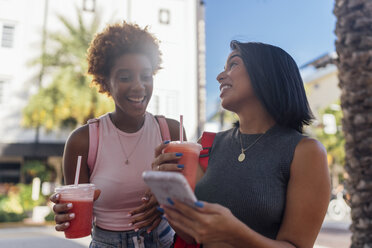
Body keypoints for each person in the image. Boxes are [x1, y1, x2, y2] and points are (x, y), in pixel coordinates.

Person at [153, 41, 331, 248]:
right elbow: (194, 236)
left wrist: (235, 233)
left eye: (233, 65)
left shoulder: (305, 152)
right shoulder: (207, 144)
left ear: (266, 74)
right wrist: (166, 193)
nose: (220, 76)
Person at [49, 21, 186, 248]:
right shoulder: (83, 141)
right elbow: (75, 211)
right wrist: (65, 213)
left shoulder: (171, 132)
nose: (139, 86)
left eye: (146, 76)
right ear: (105, 82)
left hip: (163, 241)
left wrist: (165, 201)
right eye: (125, 77)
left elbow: (189, 197)